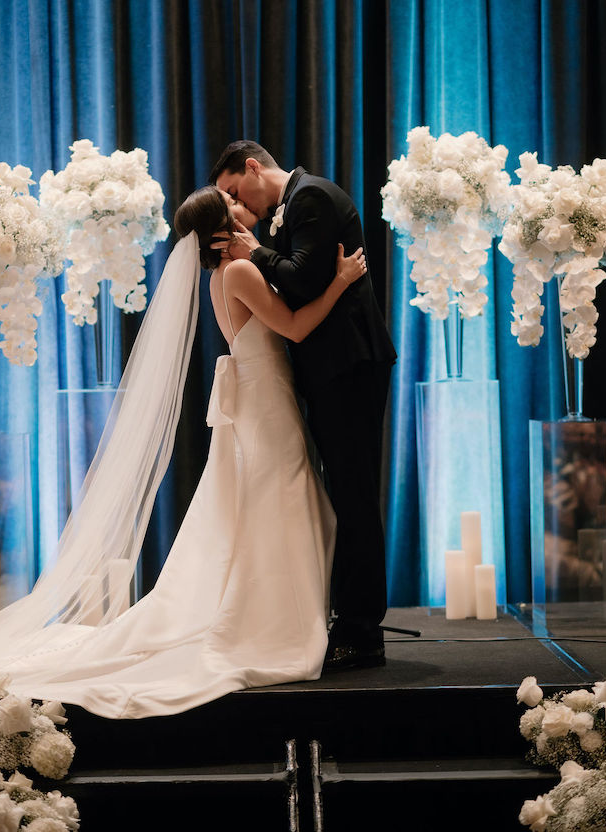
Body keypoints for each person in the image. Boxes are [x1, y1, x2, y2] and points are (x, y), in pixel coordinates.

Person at [0, 187, 366, 719]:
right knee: (284, 501)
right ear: (222, 227)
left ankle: (279, 609)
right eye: (234, 209)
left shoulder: (222, 273)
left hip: (260, 395)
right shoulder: (241, 272)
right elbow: (292, 327)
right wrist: (340, 282)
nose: (245, 211)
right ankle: (277, 620)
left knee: (275, 502)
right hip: (266, 400)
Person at [210, 142, 397, 670]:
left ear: (252, 167)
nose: (233, 205)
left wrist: (254, 252)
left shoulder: (310, 196)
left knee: (354, 493)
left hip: (349, 366)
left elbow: (301, 278)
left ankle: (362, 630)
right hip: (330, 369)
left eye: (231, 190)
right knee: (342, 490)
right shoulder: (290, 206)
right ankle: (347, 617)